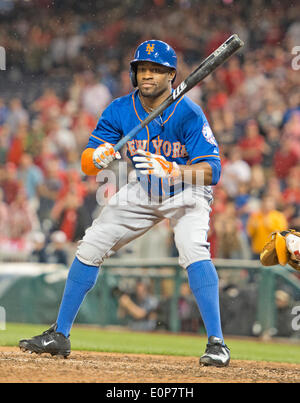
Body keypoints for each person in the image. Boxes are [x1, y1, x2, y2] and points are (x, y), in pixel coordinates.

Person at [19, 40, 230, 367]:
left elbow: (212, 171)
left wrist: (176, 170)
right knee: (90, 245)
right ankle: (59, 334)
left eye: (156, 69)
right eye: (142, 68)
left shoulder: (189, 112)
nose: (148, 74)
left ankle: (217, 342)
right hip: (144, 187)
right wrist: (97, 158)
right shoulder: (119, 109)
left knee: (192, 248)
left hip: (186, 189)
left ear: (171, 75)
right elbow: (87, 164)